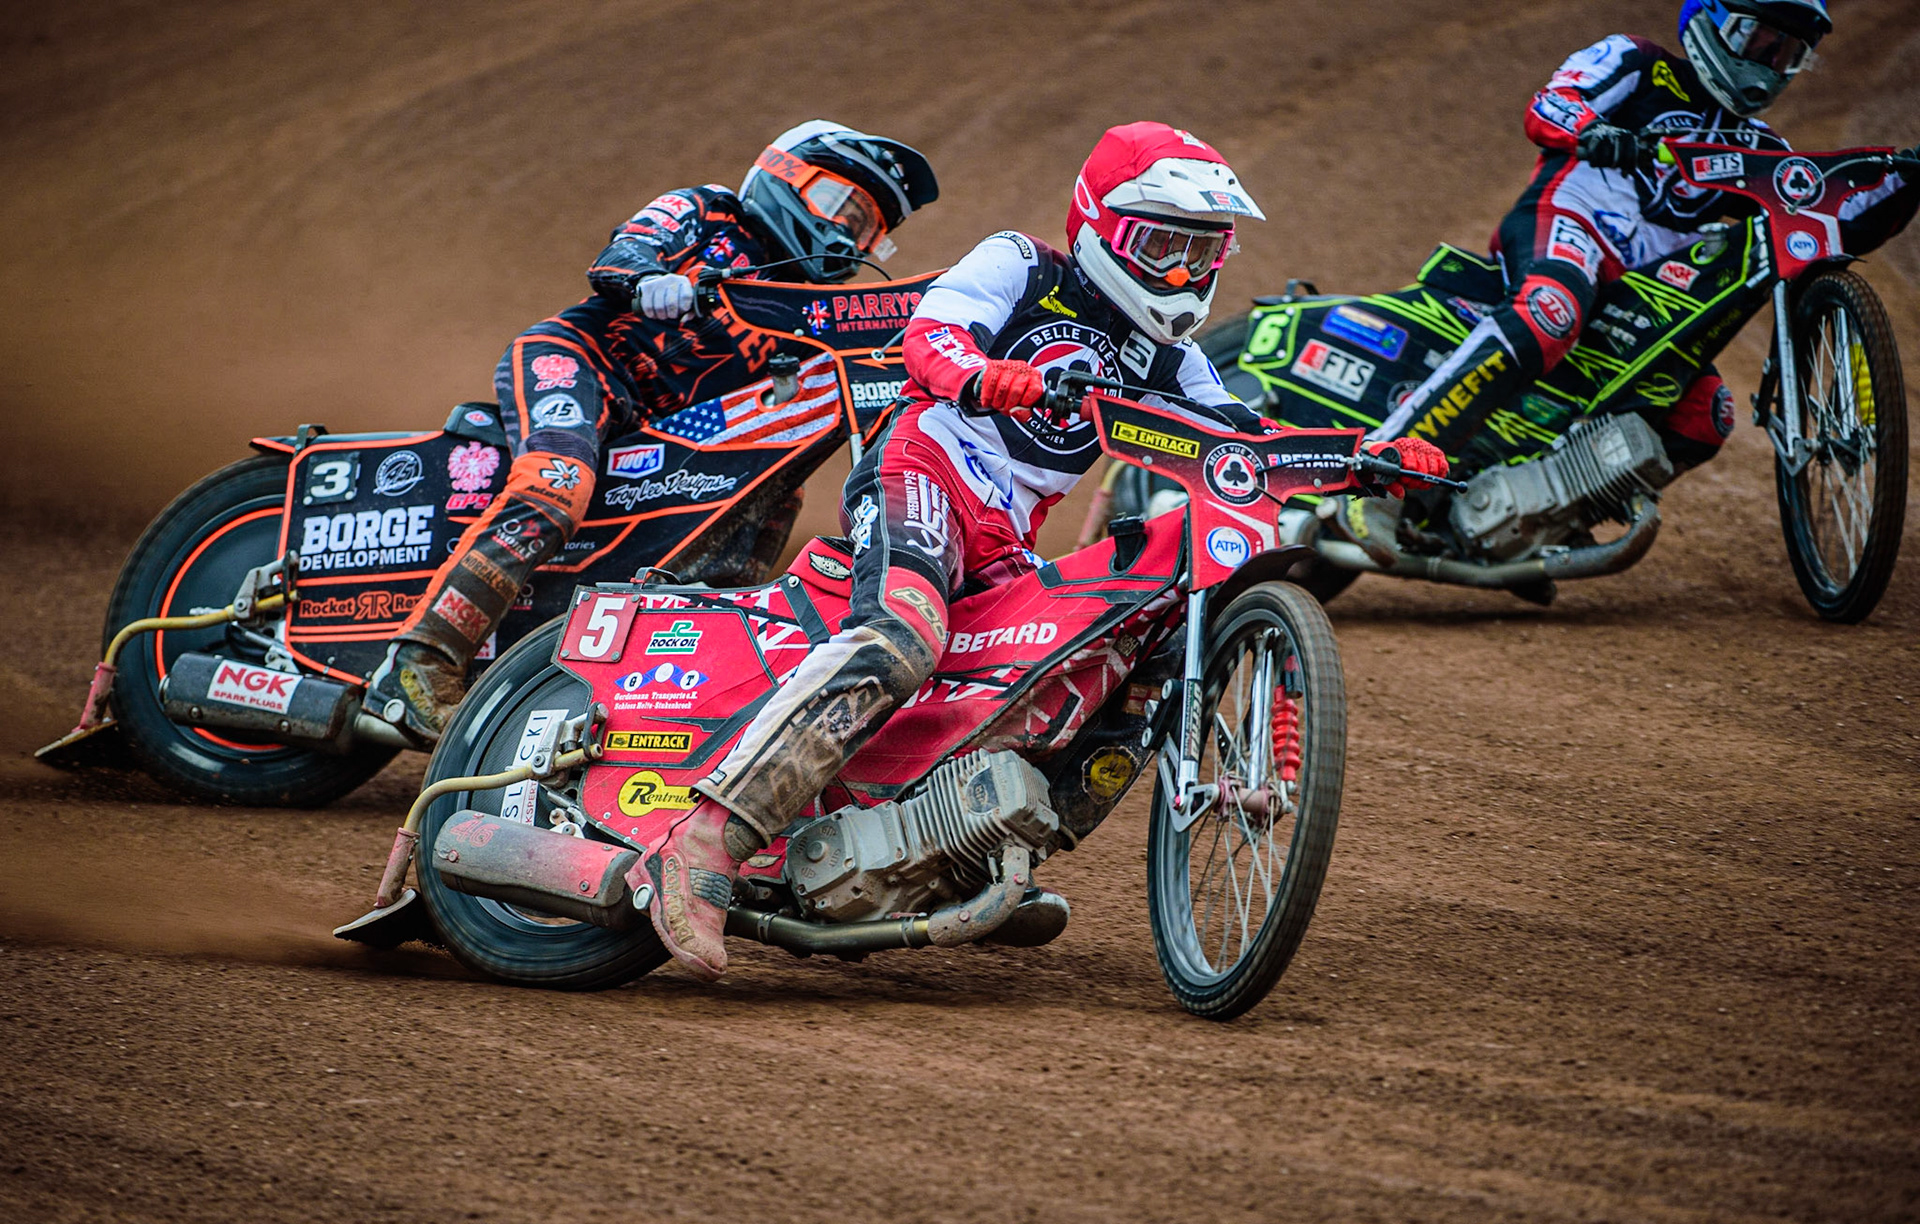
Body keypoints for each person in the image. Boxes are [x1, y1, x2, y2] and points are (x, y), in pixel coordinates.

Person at [633, 121, 1449, 980]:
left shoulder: (1166, 358)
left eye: (1200, 253)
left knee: (1076, 667)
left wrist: (1367, 455)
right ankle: (706, 839)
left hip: (1005, 542)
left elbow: (1247, 435)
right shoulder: (1023, 265)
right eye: (1162, 245)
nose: (1180, 274)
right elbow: (932, 334)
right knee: (899, 639)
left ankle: (955, 848)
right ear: (1099, 224)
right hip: (924, 474)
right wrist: (983, 375)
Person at [365, 122, 939, 743]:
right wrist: (648, 281)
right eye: (839, 207)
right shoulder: (710, 211)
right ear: (784, 175)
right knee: (556, 486)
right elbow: (624, 252)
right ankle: (420, 663)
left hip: (657, 427)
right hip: (578, 361)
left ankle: (669, 687)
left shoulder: (803, 309)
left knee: (773, 493)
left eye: (866, 229)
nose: (843, 235)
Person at [1346, 0, 1918, 556]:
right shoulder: (1638, 62)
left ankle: (1541, 522)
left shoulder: (1759, 147)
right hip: (1570, 220)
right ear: (1712, 22)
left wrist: (1906, 180)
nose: (1768, 63)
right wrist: (1594, 130)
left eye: (1789, 52)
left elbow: (1825, 216)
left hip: (1643, 289)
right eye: (1760, 39)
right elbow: (1550, 103)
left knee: (1706, 414)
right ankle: (1379, 469)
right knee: (1551, 311)